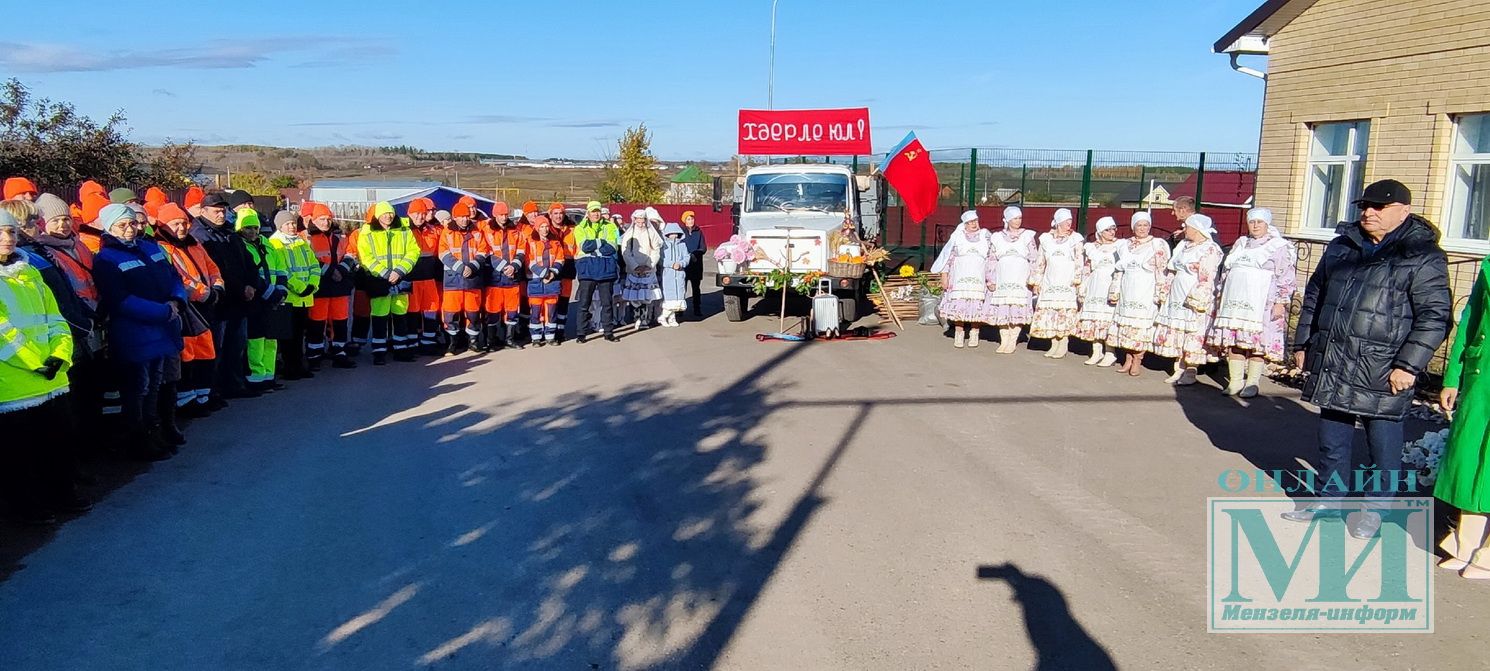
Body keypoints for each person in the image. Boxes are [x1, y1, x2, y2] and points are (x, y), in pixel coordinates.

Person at [1286, 179, 1451, 539]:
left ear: (1403, 211)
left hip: (1385, 367)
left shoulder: (1421, 255)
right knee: (1332, 438)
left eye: (1378, 207)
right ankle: (1330, 499)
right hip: (1335, 358)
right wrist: (1304, 343)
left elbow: (1435, 315)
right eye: (1364, 206)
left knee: (1383, 446)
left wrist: (1408, 364)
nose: (1368, 213)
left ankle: (1375, 509)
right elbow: (1315, 295)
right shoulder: (1342, 246)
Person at [0, 210, 89, 524]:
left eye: (11, 232)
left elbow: (55, 319)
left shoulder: (31, 272)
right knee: (20, 454)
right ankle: (28, 508)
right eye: (1, 232)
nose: (7, 239)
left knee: (57, 443)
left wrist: (60, 356)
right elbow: (3, 333)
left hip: (51, 377)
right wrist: (37, 363)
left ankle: (61, 493)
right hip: (14, 384)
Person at [91, 204, 186, 461]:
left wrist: (176, 300)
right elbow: (120, 300)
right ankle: (138, 438)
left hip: (163, 327)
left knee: (155, 383)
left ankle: (154, 431)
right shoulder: (107, 258)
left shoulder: (151, 247)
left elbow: (174, 277)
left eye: (132, 223)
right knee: (137, 388)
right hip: (135, 332)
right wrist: (162, 311)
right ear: (110, 228)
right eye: (122, 225)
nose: (130, 229)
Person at [1435, 254, 1490, 577]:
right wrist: (1453, 376)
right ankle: (1466, 542)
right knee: (1469, 460)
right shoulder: (1489, 266)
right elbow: (1470, 321)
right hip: (1481, 379)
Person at [1206, 207, 1297, 397]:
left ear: (1267, 224)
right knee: (1236, 342)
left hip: (1262, 301)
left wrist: (1281, 301)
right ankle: (1236, 381)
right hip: (1235, 300)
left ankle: (1252, 382)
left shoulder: (1278, 246)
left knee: (1257, 344)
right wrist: (1221, 294)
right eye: (1252, 222)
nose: (1255, 225)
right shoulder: (1241, 243)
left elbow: (1286, 275)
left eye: (1260, 222)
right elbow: (1226, 272)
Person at [154, 203, 223, 418]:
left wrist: (218, 286)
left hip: (206, 305)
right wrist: (205, 293)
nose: (181, 227)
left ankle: (203, 396)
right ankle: (187, 402)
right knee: (187, 357)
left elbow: (212, 268)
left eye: (184, 222)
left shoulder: (194, 243)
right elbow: (180, 279)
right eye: (175, 224)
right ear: (164, 225)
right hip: (187, 308)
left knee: (206, 352)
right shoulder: (162, 247)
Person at [192, 191, 261, 403]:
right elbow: (219, 269)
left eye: (223, 210)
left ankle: (234, 384)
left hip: (239, 302)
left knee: (236, 346)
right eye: (216, 211)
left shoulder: (230, 234)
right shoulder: (200, 235)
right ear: (203, 211)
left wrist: (251, 284)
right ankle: (215, 389)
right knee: (217, 349)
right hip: (220, 302)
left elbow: (248, 262)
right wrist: (242, 288)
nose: (221, 214)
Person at [1152, 214, 1224, 385]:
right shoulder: (1183, 245)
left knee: (1193, 331)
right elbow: (1172, 268)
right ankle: (1179, 368)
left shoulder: (1209, 248)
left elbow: (1207, 276)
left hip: (1194, 293)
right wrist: (1166, 289)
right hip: (1177, 292)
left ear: (1198, 229)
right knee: (1180, 330)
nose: (1185, 230)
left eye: (1188, 227)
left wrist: (1199, 296)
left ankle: (1191, 370)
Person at [1105, 211, 1170, 377]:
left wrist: (1160, 292)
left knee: (1141, 327)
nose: (1142, 228)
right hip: (1128, 290)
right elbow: (1119, 271)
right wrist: (1115, 289)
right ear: (1133, 227)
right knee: (1126, 326)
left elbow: (1161, 270)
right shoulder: (1125, 245)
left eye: (1145, 225)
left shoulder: (1157, 244)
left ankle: (1138, 359)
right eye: (1139, 225)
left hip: (1145, 290)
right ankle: (1127, 357)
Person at [357, 201, 420, 365]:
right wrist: (385, 273)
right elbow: (365, 257)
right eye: (385, 213)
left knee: (400, 314)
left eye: (391, 213)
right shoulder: (367, 232)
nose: (388, 216)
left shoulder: (404, 229)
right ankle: (379, 351)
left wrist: (399, 270)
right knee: (379, 316)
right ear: (378, 215)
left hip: (401, 277)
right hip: (378, 279)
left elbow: (414, 251)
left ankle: (400, 349)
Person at [239, 209, 289, 391]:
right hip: (256, 300)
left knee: (271, 340)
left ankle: (269, 377)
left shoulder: (267, 244)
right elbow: (249, 274)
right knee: (255, 341)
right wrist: (270, 293)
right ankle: (256, 380)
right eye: (247, 228)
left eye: (255, 228)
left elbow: (281, 269)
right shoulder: (241, 246)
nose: (252, 231)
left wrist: (282, 290)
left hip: (273, 298)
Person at [269, 210, 319, 380]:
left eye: (293, 223)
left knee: (299, 334)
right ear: (280, 226)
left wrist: (312, 285)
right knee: (288, 336)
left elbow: (314, 266)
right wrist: (300, 287)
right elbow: (282, 270)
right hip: (289, 297)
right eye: (287, 224)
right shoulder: (275, 243)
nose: (291, 226)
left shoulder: (301, 242)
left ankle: (299, 365)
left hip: (305, 297)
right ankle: (291, 368)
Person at [930, 210, 992, 349]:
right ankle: (959, 332)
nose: (973, 224)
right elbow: (947, 258)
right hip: (959, 277)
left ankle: (975, 332)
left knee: (976, 305)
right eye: (970, 222)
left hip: (979, 277)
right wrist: (944, 277)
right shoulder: (957, 237)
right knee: (960, 305)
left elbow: (991, 257)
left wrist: (991, 277)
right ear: (964, 224)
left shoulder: (985, 236)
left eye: (975, 221)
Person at [305, 203, 356, 369]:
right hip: (320, 287)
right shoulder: (307, 238)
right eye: (322, 219)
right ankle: (314, 355)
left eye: (328, 219)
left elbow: (351, 255)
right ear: (313, 219)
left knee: (341, 321)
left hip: (340, 287)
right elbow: (308, 260)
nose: (326, 222)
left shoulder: (339, 238)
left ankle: (339, 352)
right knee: (316, 323)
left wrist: (341, 270)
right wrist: (329, 271)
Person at [1030, 208, 1086, 359]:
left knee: (1064, 313)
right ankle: (1054, 343)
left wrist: (1077, 279)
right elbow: (1040, 262)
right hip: (1050, 281)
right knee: (1051, 313)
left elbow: (1079, 261)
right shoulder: (1046, 239)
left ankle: (1063, 343)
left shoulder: (1076, 239)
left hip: (1067, 282)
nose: (1069, 223)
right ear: (1058, 222)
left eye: (1070, 220)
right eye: (1066, 220)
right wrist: (1037, 281)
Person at [984, 205, 1038, 353]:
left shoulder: (1027, 236)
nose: (1018, 221)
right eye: (1015, 218)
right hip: (1003, 277)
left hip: (1020, 277)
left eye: (1020, 218)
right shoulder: (996, 238)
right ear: (1007, 219)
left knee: (1017, 308)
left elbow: (1034, 258)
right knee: (1003, 308)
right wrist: (991, 279)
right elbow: (991, 259)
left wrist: (1033, 278)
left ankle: (1013, 339)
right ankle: (1004, 339)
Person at [439, 202, 489, 355]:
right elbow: (443, 254)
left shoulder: (477, 231)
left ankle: (473, 342)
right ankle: (452, 344)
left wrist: (472, 267)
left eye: (467, 216)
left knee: (473, 313)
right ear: (455, 217)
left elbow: (483, 251)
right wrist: (461, 268)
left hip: (472, 280)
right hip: (453, 280)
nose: (464, 219)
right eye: (461, 217)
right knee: (450, 313)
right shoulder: (447, 233)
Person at [1075, 216, 1122, 366]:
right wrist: (1083, 286)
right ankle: (1096, 351)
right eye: (1107, 229)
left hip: (1110, 284)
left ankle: (1110, 352)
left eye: (1113, 228)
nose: (1111, 232)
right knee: (1095, 318)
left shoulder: (1121, 246)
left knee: (1108, 319)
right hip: (1095, 285)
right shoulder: (1091, 247)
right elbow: (1087, 268)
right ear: (1100, 232)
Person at [481, 202, 528, 351]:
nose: (504, 217)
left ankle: (509, 339)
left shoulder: (515, 230)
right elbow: (486, 252)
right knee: (493, 311)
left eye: (506, 214)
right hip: (494, 277)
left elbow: (521, 250)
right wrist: (503, 267)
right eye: (501, 215)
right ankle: (491, 341)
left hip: (512, 277)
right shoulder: (486, 231)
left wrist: (514, 266)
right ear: (495, 215)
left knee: (512, 310)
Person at [573, 201, 621, 342]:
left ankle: (608, 332)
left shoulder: (610, 226)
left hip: (606, 268)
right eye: (593, 211)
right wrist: (601, 242)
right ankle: (581, 334)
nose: (596, 214)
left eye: (598, 211)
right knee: (584, 304)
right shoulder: (580, 228)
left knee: (607, 303)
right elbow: (584, 246)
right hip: (587, 269)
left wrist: (594, 244)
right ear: (588, 213)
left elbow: (612, 247)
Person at [405, 198, 444, 354]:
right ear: (409, 214)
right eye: (416, 214)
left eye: (423, 213)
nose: (420, 217)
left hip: (429, 278)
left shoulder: (433, 231)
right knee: (412, 312)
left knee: (431, 310)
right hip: (411, 278)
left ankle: (428, 343)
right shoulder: (403, 231)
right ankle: (412, 344)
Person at [526, 214, 568, 345]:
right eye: (542, 227)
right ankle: (536, 338)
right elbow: (529, 261)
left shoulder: (555, 242)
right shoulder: (530, 242)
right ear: (537, 228)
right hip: (535, 282)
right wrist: (544, 274)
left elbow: (560, 259)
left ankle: (550, 336)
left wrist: (551, 273)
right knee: (536, 312)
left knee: (551, 311)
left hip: (552, 282)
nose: (545, 229)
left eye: (546, 226)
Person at [621, 208, 663, 331]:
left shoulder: (651, 232)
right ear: (634, 220)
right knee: (635, 297)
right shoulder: (630, 233)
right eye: (638, 220)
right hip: (634, 270)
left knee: (646, 296)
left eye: (643, 220)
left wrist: (649, 265)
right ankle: (636, 318)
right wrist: (635, 266)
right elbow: (625, 252)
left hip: (648, 270)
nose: (641, 223)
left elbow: (656, 249)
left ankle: (644, 319)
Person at [659, 222, 689, 327]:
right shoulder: (664, 245)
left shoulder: (682, 245)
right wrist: (671, 264)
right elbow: (661, 259)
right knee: (669, 297)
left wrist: (681, 264)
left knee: (678, 297)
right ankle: (663, 317)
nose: (674, 235)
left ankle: (672, 318)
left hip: (679, 273)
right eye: (671, 233)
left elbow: (686, 257)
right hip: (668, 274)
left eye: (676, 233)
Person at [680, 210, 707, 318]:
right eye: (688, 219)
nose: (691, 221)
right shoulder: (681, 232)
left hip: (696, 264)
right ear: (684, 221)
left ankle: (697, 309)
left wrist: (697, 253)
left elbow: (703, 247)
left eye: (692, 218)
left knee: (696, 288)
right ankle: (680, 309)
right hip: (684, 265)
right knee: (682, 288)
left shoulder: (698, 231)